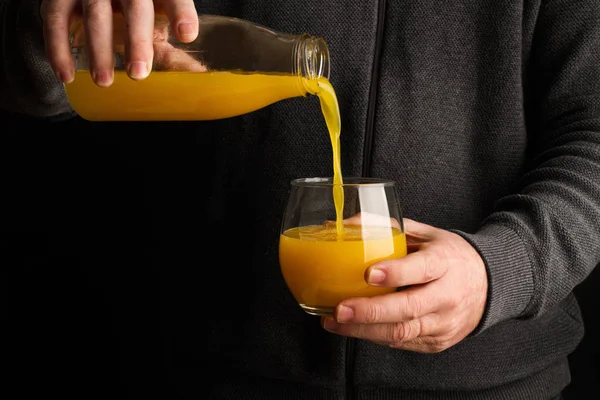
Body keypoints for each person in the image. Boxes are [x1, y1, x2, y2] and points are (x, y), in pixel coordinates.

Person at [2, 0, 599, 399]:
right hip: (209, 371)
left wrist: (505, 268)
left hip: (498, 385)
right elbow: (39, 85)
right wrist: (54, 25)